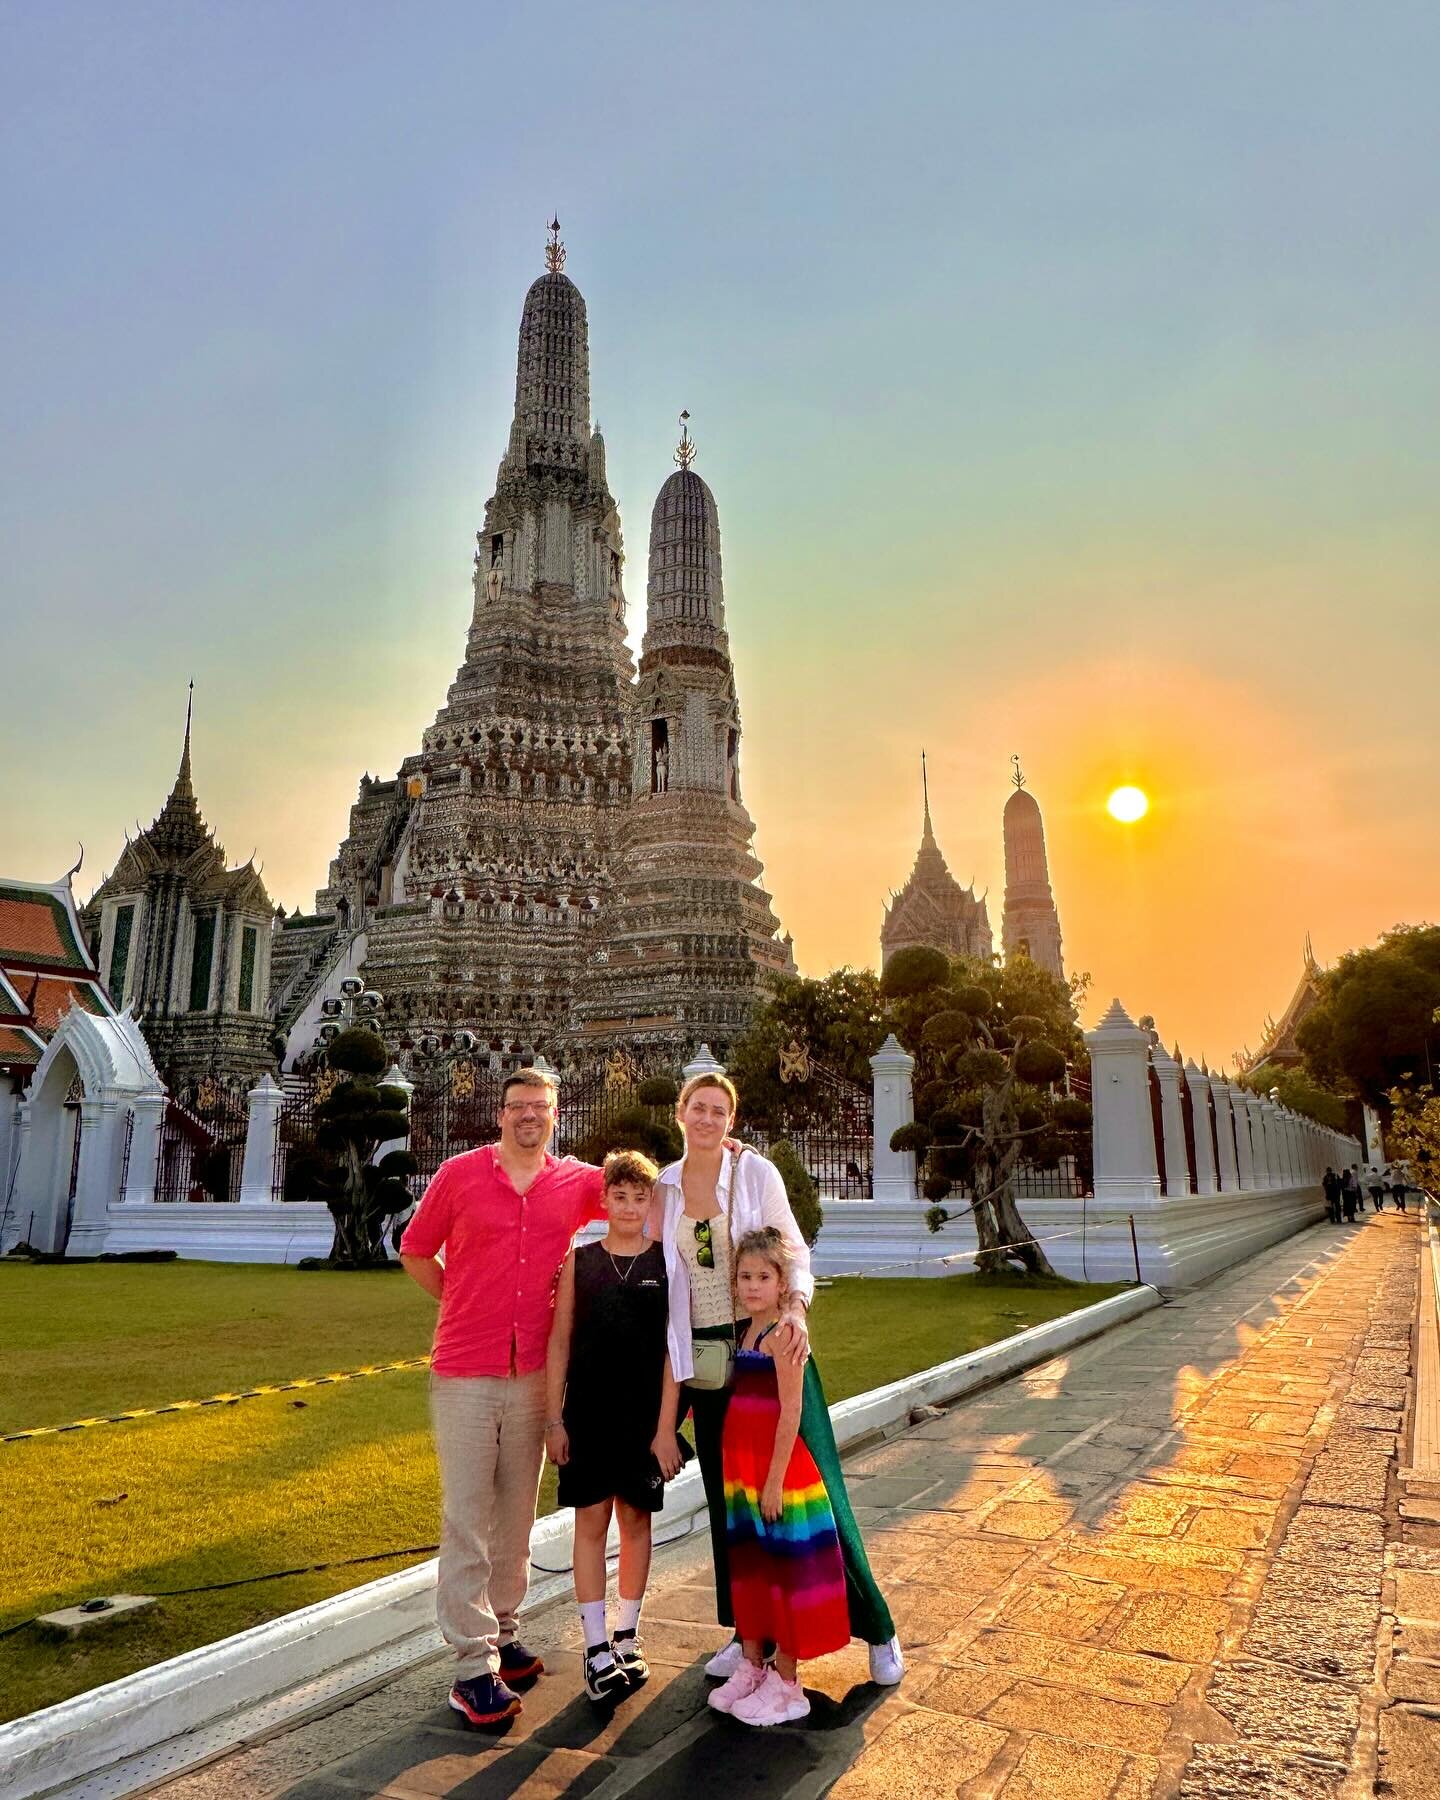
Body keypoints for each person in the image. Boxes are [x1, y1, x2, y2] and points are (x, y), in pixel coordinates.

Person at [650, 1070, 904, 1690]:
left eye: (719, 1111)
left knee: (810, 1487)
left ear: (730, 1121)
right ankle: (749, 1635)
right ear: (680, 1113)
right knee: (733, 1499)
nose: (707, 1119)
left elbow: (792, 1250)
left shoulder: (753, 1173)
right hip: (707, 1356)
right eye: (697, 1108)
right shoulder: (667, 1187)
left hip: (767, 1344)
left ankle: (877, 1626)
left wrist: (793, 1311)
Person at [399, 1066, 605, 1728]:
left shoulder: (574, 1184)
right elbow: (414, 1249)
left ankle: (505, 1630)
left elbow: (645, 1193)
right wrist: (460, 1299)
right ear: (501, 1115)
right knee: (467, 1515)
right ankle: (471, 1667)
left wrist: (720, 1153)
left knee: (517, 1514)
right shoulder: (460, 1175)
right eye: (518, 1106)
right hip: (464, 1369)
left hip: (534, 1377)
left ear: (555, 1115)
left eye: (540, 1108)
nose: (528, 1117)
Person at [708, 1229, 890, 1726]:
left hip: (776, 1474)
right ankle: (753, 1665)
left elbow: (791, 1411)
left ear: (782, 1282)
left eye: (763, 1277)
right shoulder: (745, 1331)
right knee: (751, 1570)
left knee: (786, 1572)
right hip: (740, 1474)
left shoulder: (784, 1335)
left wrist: (773, 1480)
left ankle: (788, 1683)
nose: (751, 1286)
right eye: (744, 1276)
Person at [545, 1149, 689, 1705]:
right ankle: (595, 1645)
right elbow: (558, 1343)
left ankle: (628, 1634)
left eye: (639, 1198)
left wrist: (664, 1429)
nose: (629, 1207)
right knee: (590, 1522)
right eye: (620, 1196)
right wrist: (553, 1420)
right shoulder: (579, 1261)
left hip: (642, 1420)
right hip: (586, 1414)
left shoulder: (665, 1263)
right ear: (603, 1200)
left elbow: (674, 1354)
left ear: (651, 1202)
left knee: (635, 1522)